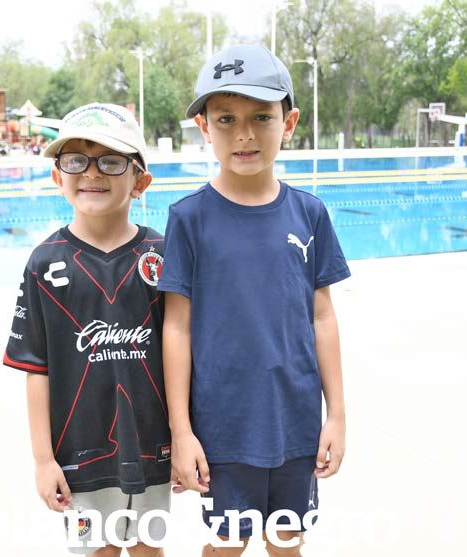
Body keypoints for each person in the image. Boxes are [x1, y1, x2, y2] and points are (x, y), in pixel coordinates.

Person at [158, 44, 351, 557]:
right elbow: (176, 328)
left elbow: (322, 317)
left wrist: (336, 415)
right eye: (226, 119)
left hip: (296, 420)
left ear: (288, 122)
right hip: (224, 426)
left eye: (261, 117)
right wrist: (181, 430)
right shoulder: (189, 219)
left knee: (288, 541)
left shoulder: (309, 214)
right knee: (229, 544)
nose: (244, 134)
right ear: (204, 127)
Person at [3, 102, 170, 557]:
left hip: (153, 447)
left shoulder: (162, 255)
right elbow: (36, 368)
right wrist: (43, 460)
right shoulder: (44, 263)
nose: (92, 172)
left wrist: (186, 435)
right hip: (79, 454)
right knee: (96, 552)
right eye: (76, 160)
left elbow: (182, 353)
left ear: (140, 181)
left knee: (148, 549)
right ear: (58, 177)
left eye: (110, 161)